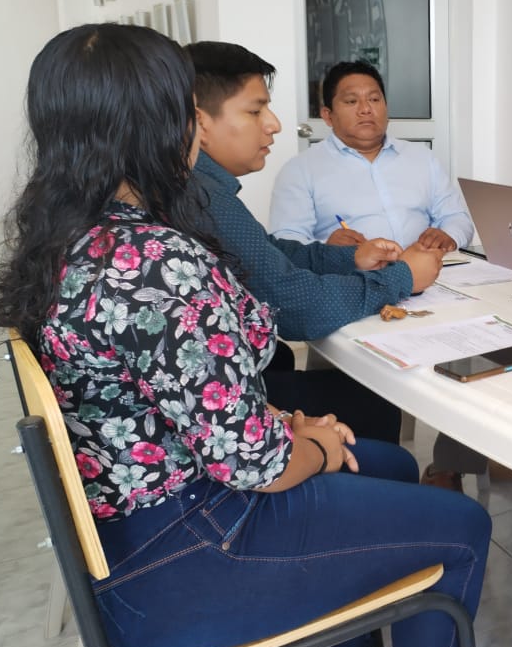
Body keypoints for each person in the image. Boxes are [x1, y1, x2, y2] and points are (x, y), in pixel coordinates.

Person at [0, 24, 492, 647]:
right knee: (463, 526)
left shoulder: (68, 239)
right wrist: (313, 444)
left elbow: (178, 396)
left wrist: (282, 422)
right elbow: (258, 465)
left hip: (132, 535)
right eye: (186, 108)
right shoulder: (156, 262)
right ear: (159, 123)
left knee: (388, 463)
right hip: (191, 553)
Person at [186, 41, 444, 444]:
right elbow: (296, 306)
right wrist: (403, 277)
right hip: (235, 404)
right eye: (255, 111)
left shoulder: (203, 189)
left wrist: (350, 257)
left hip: (241, 377)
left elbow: (272, 253)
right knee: (375, 404)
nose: (274, 124)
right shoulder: (205, 197)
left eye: (375, 99)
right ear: (200, 122)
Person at [269, 60, 473, 252]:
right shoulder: (300, 171)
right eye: (351, 101)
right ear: (328, 116)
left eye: (374, 99)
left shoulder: (423, 159)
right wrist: (326, 249)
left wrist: (449, 236)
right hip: (351, 275)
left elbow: (457, 218)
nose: (366, 109)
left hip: (429, 270)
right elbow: (286, 240)